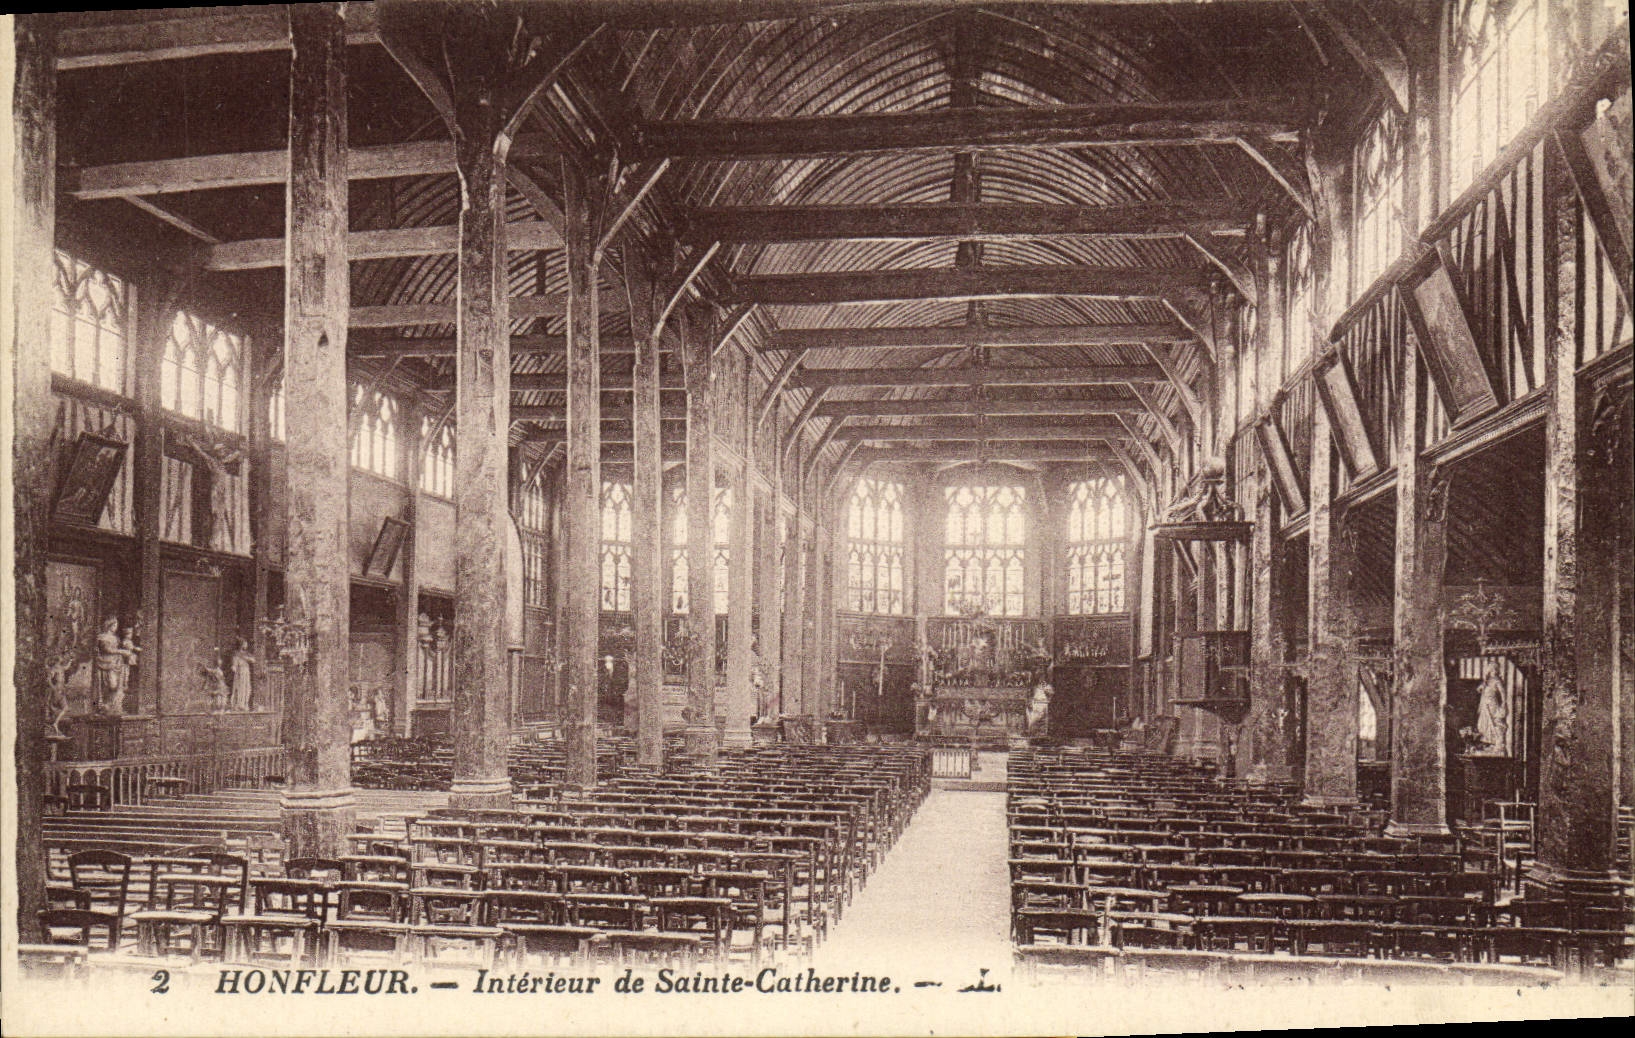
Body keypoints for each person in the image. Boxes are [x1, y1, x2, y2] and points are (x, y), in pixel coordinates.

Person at [1474, 661, 1509, 755]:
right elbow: (1479, 689)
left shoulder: (1497, 681)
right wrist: (1482, 686)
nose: (1492, 672)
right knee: (1483, 723)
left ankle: (1496, 743)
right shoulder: (1487, 682)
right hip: (1485, 704)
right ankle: (1489, 743)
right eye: (1490, 670)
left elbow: (1503, 693)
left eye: (1493, 670)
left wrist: (1504, 704)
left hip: (1492, 704)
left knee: (1494, 722)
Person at [229, 638, 254, 711]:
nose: (246, 645)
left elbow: (253, 660)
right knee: (240, 688)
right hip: (240, 672)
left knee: (247, 688)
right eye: (245, 644)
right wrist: (234, 667)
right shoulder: (236, 654)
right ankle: (239, 704)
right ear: (241, 644)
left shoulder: (246, 654)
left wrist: (246, 658)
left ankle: (245, 703)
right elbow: (234, 664)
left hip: (246, 672)